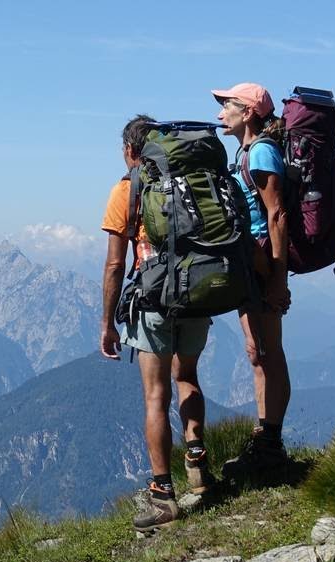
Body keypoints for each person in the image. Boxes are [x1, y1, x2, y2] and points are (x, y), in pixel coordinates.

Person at [100, 114, 214, 532]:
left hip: (153, 300)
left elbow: (115, 264)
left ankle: (164, 494)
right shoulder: (192, 181)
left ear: (132, 150)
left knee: (155, 396)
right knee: (189, 377)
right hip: (199, 291)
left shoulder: (128, 189)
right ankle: (198, 467)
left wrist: (108, 322)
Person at [212, 83, 292, 477]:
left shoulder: (261, 151)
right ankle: (264, 438)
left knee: (269, 353)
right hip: (251, 262)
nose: (219, 113)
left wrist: (279, 278)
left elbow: (276, 214)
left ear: (247, 112)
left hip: (264, 262)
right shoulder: (245, 152)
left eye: (226, 105)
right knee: (256, 352)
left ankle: (271, 445)